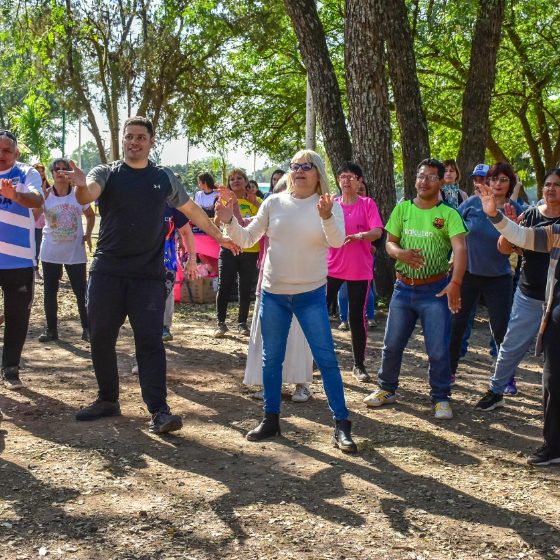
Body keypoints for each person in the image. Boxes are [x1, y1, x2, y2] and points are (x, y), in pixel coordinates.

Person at [62, 116, 238, 434]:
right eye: (129, 136)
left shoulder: (163, 177)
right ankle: (107, 399)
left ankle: (159, 411)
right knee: (100, 335)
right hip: (107, 271)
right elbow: (87, 195)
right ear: (123, 139)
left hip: (148, 275)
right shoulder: (106, 172)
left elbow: (193, 212)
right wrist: (78, 184)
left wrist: (219, 234)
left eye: (141, 137)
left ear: (150, 142)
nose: (134, 142)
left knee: (150, 342)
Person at [216, 149, 357, 453]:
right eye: (294, 167)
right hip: (274, 295)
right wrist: (229, 222)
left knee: (327, 360)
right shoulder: (273, 203)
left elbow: (336, 242)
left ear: (318, 172)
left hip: (311, 295)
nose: (299, 171)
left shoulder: (328, 207)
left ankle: (342, 425)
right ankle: (271, 419)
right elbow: (245, 239)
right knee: (271, 360)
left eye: (306, 166)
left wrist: (326, 217)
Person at [364, 158, 467, 420]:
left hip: (435, 290)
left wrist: (455, 283)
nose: (424, 181)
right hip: (403, 289)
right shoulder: (403, 209)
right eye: (421, 176)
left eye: (431, 177)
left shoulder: (449, 214)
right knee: (392, 344)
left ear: (442, 181)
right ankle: (387, 389)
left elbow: (460, 249)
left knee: (437, 349)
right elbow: (389, 244)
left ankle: (441, 398)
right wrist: (402, 254)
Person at [479, 180, 560, 466]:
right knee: (545, 372)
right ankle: (497, 390)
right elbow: (517, 240)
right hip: (539, 300)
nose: (550, 189)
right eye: (547, 184)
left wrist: (498, 218)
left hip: (552, 305)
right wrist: (498, 217)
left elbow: (527, 238)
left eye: (557, 185)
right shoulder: (542, 221)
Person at [449, 162, 522, 383]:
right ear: (487, 182)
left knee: (501, 329)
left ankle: (505, 378)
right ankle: (449, 371)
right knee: (457, 324)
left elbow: (523, 245)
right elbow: (452, 230)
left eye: (503, 179)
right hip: (468, 275)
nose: (498, 184)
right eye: (494, 179)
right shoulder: (472, 203)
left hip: (499, 279)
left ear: (510, 184)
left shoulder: (515, 209)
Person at [326, 162, 383, 382]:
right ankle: (315, 358)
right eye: (342, 176)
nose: (346, 180)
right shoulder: (332, 204)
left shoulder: (367, 204)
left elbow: (377, 232)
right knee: (318, 312)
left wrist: (360, 237)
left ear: (360, 181)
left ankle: (359, 365)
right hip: (332, 267)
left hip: (359, 269)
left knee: (356, 317)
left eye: (351, 177)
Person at [0, 130, 43, 389]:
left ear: (16, 153)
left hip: (19, 262)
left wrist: (15, 196)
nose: (2, 155)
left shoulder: (27, 173)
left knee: (17, 317)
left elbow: (38, 199)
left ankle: (10, 369)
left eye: (7, 150)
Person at [37, 158, 95, 343]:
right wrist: (39, 201)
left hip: (75, 253)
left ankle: (87, 329)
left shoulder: (78, 194)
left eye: (64, 169)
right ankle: (51, 330)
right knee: (50, 292)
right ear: (51, 173)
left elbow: (91, 215)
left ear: (69, 173)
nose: (60, 173)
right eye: (57, 169)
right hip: (50, 252)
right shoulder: (45, 195)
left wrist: (88, 235)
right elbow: (35, 217)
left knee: (81, 292)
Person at [214, 168, 260, 337]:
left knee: (245, 287)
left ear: (246, 181)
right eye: (232, 179)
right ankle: (220, 323)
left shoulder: (257, 201)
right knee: (224, 285)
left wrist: (255, 203)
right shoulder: (224, 200)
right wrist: (221, 209)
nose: (236, 181)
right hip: (228, 249)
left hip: (250, 250)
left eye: (240, 178)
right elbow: (216, 222)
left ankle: (242, 323)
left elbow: (266, 219)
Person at [32, 163, 50, 281]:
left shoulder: (49, 187)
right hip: (35, 221)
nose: (40, 173)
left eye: (42, 171)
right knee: (36, 246)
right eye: (38, 171)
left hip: (47, 222)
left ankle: (56, 271)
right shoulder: (31, 186)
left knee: (45, 247)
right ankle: (35, 270)